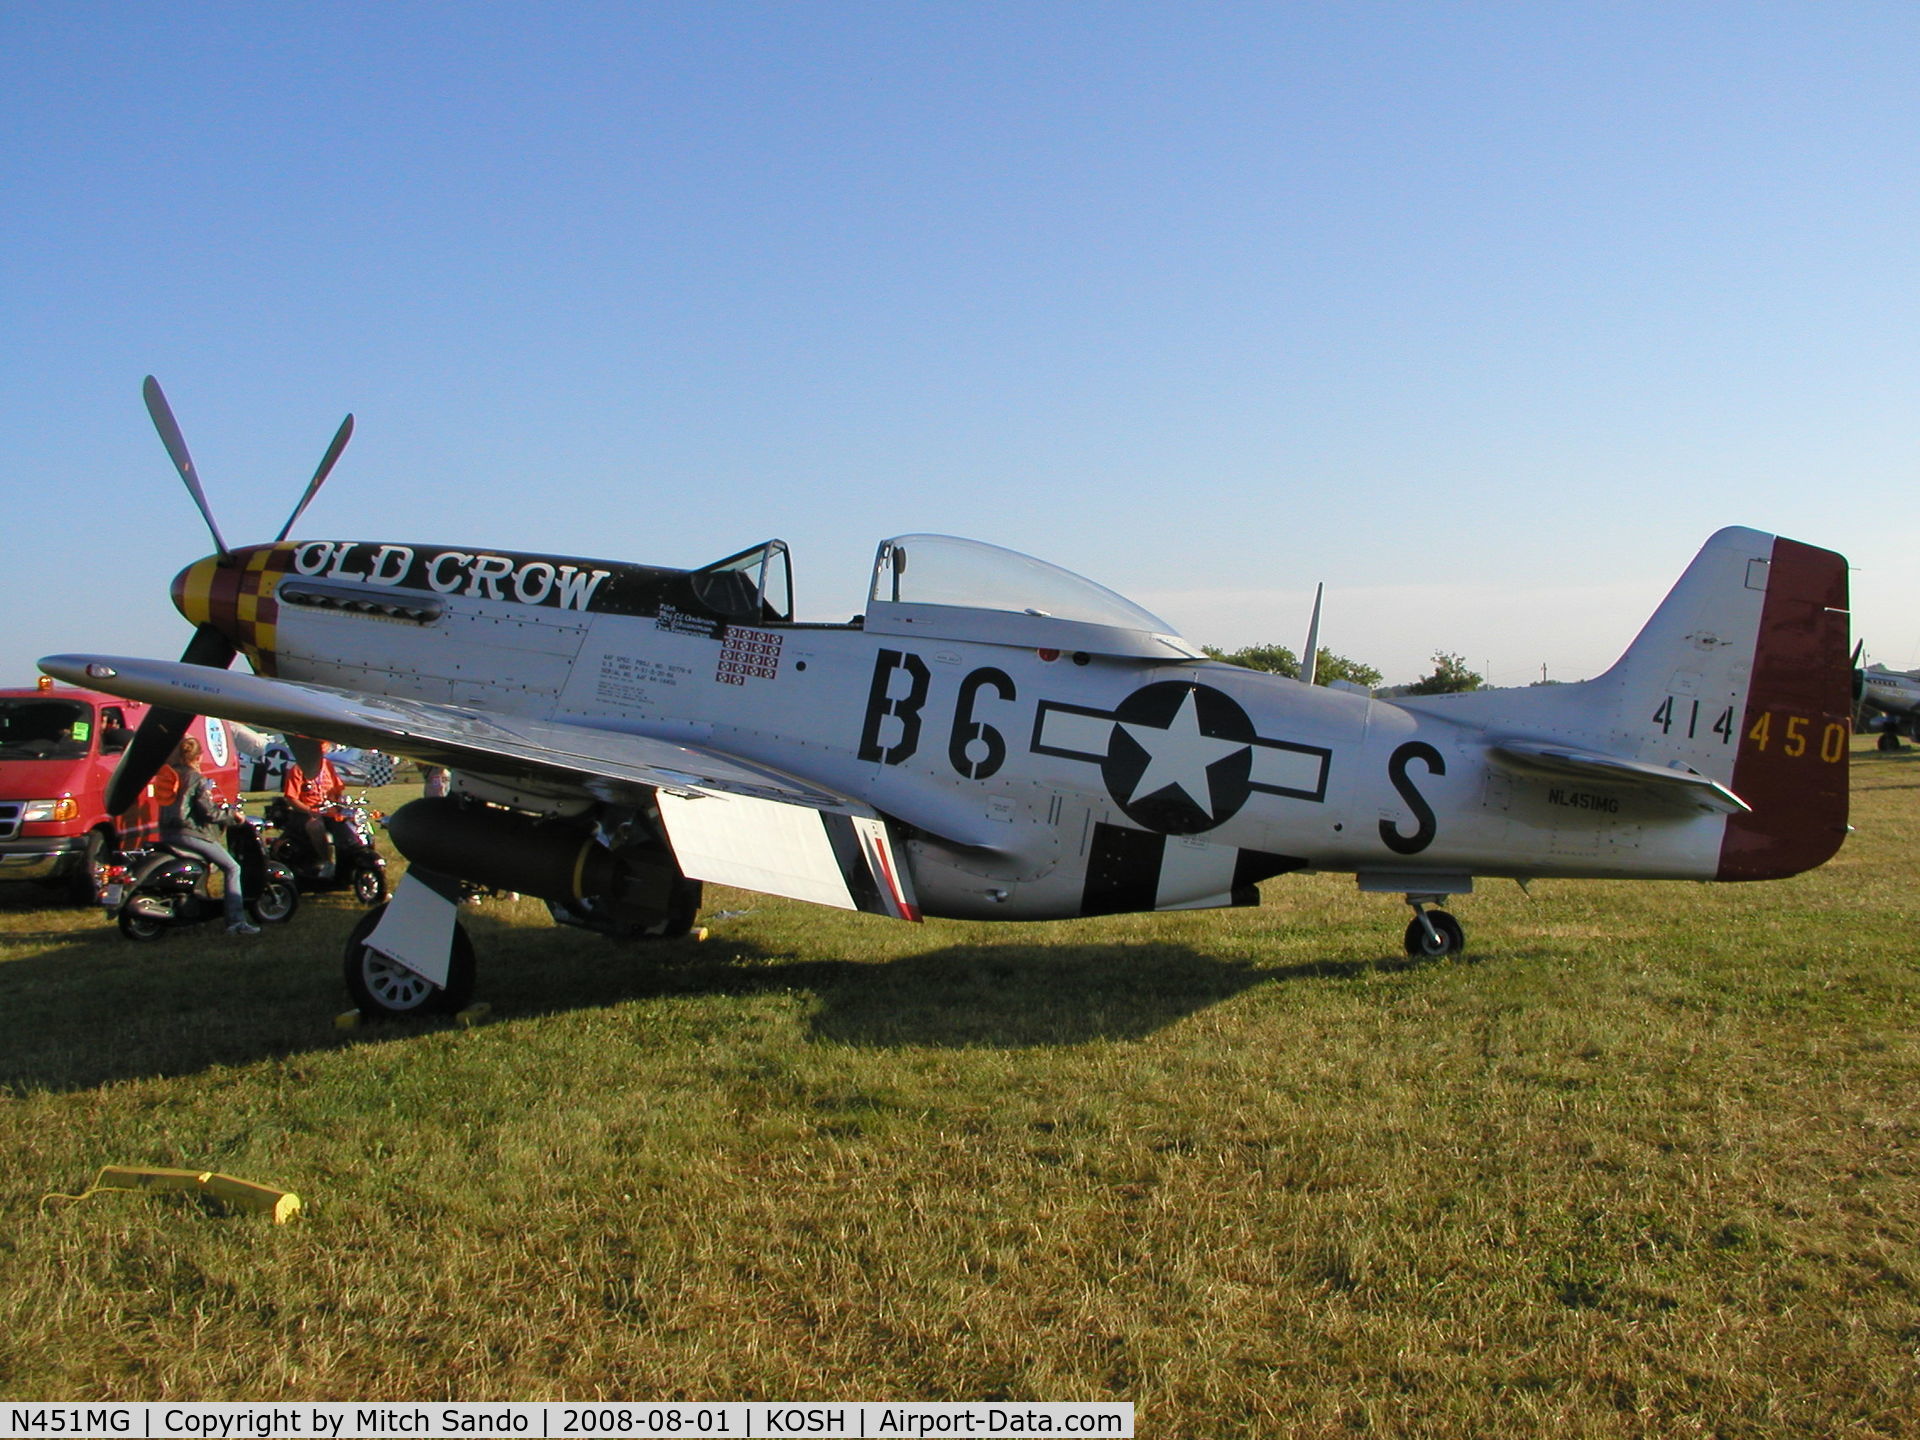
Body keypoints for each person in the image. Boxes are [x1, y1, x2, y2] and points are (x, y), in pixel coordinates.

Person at [153, 734, 256, 935]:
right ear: (198, 757)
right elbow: (209, 812)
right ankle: (236, 921)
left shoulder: (170, 774)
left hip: (166, 832)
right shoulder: (196, 779)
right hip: (189, 832)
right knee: (232, 867)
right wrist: (233, 816)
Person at [282, 738, 346, 880]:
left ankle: (348, 859)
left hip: (327, 811)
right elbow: (291, 798)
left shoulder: (328, 765)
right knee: (315, 826)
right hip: (304, 812)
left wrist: (339, 805)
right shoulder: (297, 770)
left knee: (349, 824)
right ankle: (327, 862)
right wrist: (309, 810)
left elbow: (337, 789)